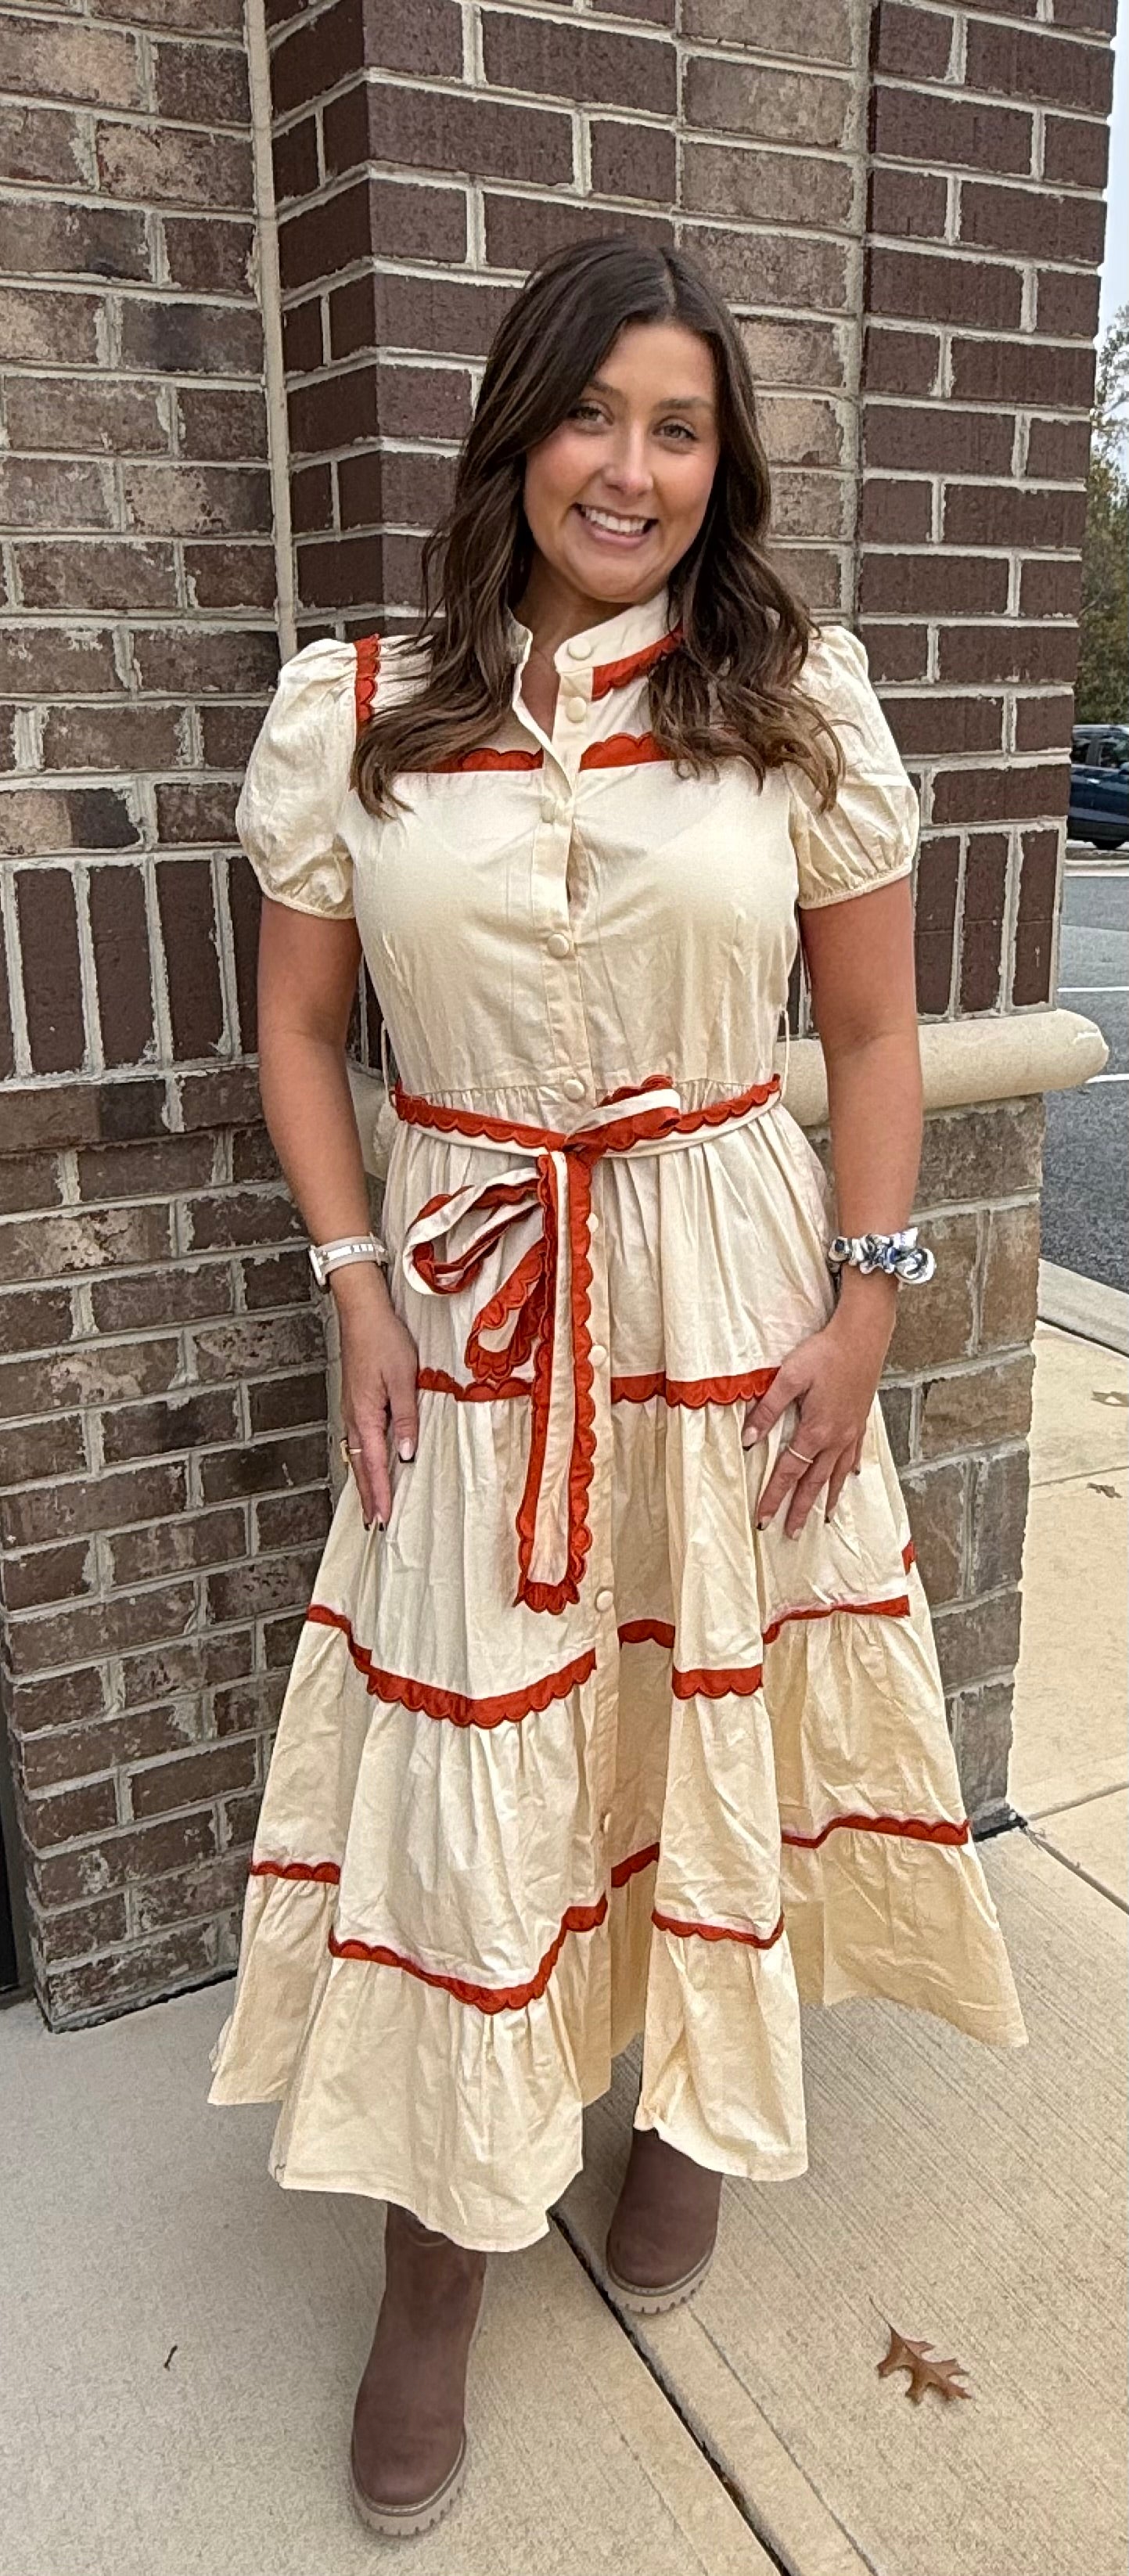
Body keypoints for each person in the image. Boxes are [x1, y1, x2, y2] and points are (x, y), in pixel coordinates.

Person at [209, 235, 1027, 2539]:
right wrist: (354, 1285)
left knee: (701, 1703)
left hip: (729, 1287)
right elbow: (301, 1030)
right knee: (478, 1765)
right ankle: (435, 2272)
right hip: (477, 1309)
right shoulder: (361, 706)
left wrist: (867, 1305)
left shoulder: (792, 700)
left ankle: (682, 2109)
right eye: (592, 415)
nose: (631, 469)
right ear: (518, 432)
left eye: (679, 428)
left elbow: (872, 1031)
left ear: (718, 463)